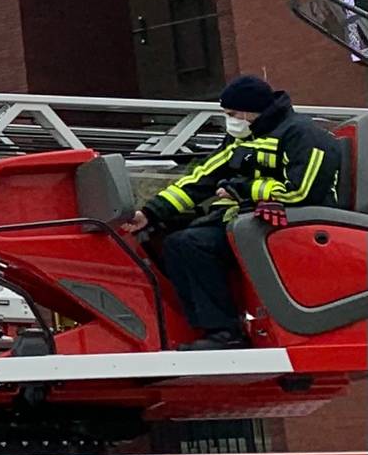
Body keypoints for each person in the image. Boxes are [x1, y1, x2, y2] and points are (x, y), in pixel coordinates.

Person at [123, 75, 353, 349]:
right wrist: (151, 212)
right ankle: (208, 330)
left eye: (231, 114)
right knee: (172, 241)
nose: (228, 120)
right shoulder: (239, 137)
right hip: (248, 223)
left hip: (291, 226)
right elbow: (203, 177)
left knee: (192, 245)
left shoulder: (304, 135)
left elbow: (305, 191)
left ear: (248, 109)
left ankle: (225, 334)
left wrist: (243, 190)